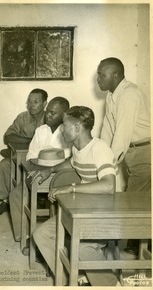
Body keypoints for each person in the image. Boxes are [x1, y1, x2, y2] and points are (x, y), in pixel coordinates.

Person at [31, 106, 119, 286]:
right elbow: (71, 163)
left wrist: (71, 188)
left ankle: (111, 285)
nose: (62, 128)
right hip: (83, 210)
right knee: (41, 234)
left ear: (78, 128)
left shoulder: (100, 148)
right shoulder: (78, 148)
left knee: (82, 247)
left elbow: (109, 185)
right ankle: (72, 279)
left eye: (65, 125)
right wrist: (50, 170)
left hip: (104, 214)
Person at [97, 57, 151, 255]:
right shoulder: (112, 95)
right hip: (132, 152)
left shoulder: (129, 94)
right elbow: (108, 129)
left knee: (134, 200)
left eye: (102, 75)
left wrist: (108, 165)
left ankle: (134, 245)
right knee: (138, 198)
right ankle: (137, 242)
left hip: (143, 151)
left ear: (116, 75)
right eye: (98, 75)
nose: (98, 79)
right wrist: (100, 155)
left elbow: (122, 133)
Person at [9, 96, 71, 245]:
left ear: (64, 115)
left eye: (52, 113)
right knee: (16, 195)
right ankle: (24, 236)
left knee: (61, 202)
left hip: (62, 176)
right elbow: (31, 155)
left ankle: (57, 238)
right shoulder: (41, 130)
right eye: (47, 111)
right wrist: (39, 166)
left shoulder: (69, 132)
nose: (47, 115)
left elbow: (71, 159)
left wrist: (52, 168)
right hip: (40, 171)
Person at [0, 88, 47, 215]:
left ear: (44, 104)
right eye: (29, 101)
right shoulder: (22, 117)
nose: (31, 105)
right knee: (4, 164)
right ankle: (7, 200)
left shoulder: (49, 117)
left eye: (36, 102)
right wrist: (30, 141)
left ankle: (38, 198)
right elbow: (8, 136)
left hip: (41, 158)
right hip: (22, 155)